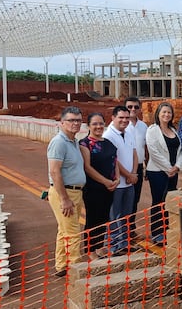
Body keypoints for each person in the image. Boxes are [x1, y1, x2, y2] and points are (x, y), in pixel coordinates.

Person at [46, 106, 86, 277]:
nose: (75, 123)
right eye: (71, 120)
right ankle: (76, 271)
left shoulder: (74, 141)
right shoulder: (59, 142)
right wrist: (64, 198)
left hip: (75, 192)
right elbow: (55, 171)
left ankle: (62, 265)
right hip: (65, 193)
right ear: (62, 122)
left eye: (78, 120)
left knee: (64, 231)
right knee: (73, 233)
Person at [78, 112, 119, 259]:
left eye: (101, 123)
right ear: (88, 126)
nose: (98, 126)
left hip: (109, 188)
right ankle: (90, 250)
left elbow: (115, 161)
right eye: (95, 124)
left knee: (104, 218)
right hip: (93, 188)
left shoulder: (108, 143)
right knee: (93, 218)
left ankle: (100, 246)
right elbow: (87, 167)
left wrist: (117, 178)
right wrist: (105, 181)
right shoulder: (85, 144)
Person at [145, 102, 182, 246]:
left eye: (169, 112)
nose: (166, 115)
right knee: (158, 202)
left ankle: (167, 229)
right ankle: (157, 232)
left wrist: (177, 167)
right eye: (164, 112)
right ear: (158, 114)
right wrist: (168, 168)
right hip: (158, 172)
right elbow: (153, 152)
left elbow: (180, 150)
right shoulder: (152, 130)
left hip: (173, 172)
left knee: (169, 202)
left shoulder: (174, 130)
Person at [102, 105, 138, 255]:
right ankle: (113, 245)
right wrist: (128, 175)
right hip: (117, 183)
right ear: (113, 118)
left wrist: (134, 173)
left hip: (130, 183)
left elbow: (134, 153)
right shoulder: (108, 136)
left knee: (126, 214)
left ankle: (123, 243)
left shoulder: (128, 133)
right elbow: (114, 160)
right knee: (114, 216)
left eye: (127, 118)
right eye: (121, 118)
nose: (124, 120)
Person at [124, 97, 148, 213]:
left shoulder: (143, 126)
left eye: (136, 107)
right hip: (124, 168)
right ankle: (121, 228)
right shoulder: (120, 125)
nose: (133, 109)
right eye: (129, 107)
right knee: (123, 199)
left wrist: (146, 167)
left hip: (138, 167)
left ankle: (131, 227)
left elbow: (146, 148)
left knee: (135, 198)